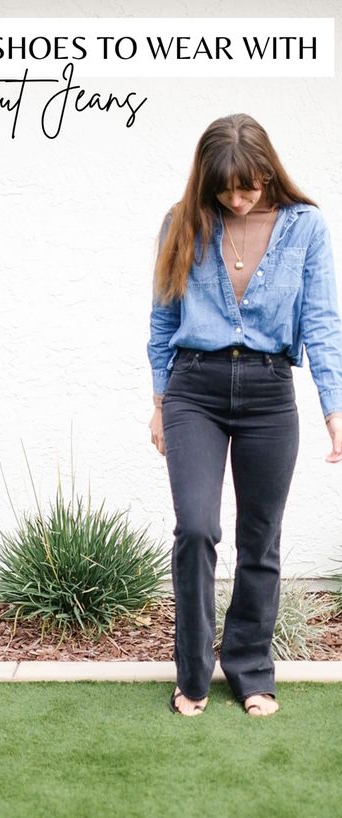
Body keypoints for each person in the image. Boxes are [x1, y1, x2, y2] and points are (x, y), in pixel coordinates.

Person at [146, 113, 342, 718]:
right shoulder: (183, 223)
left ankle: (252, 670)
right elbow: (161, 322)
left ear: (267, 172)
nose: (238, 197)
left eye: (249, 185)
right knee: (197, 528)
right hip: (193, 391)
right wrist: (158, 403)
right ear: (207, 181)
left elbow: (322, 324)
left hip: (268, 393)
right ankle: (193, 674)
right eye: (226, 187)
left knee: (261, 538)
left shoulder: (304, 227)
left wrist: (335, 411)